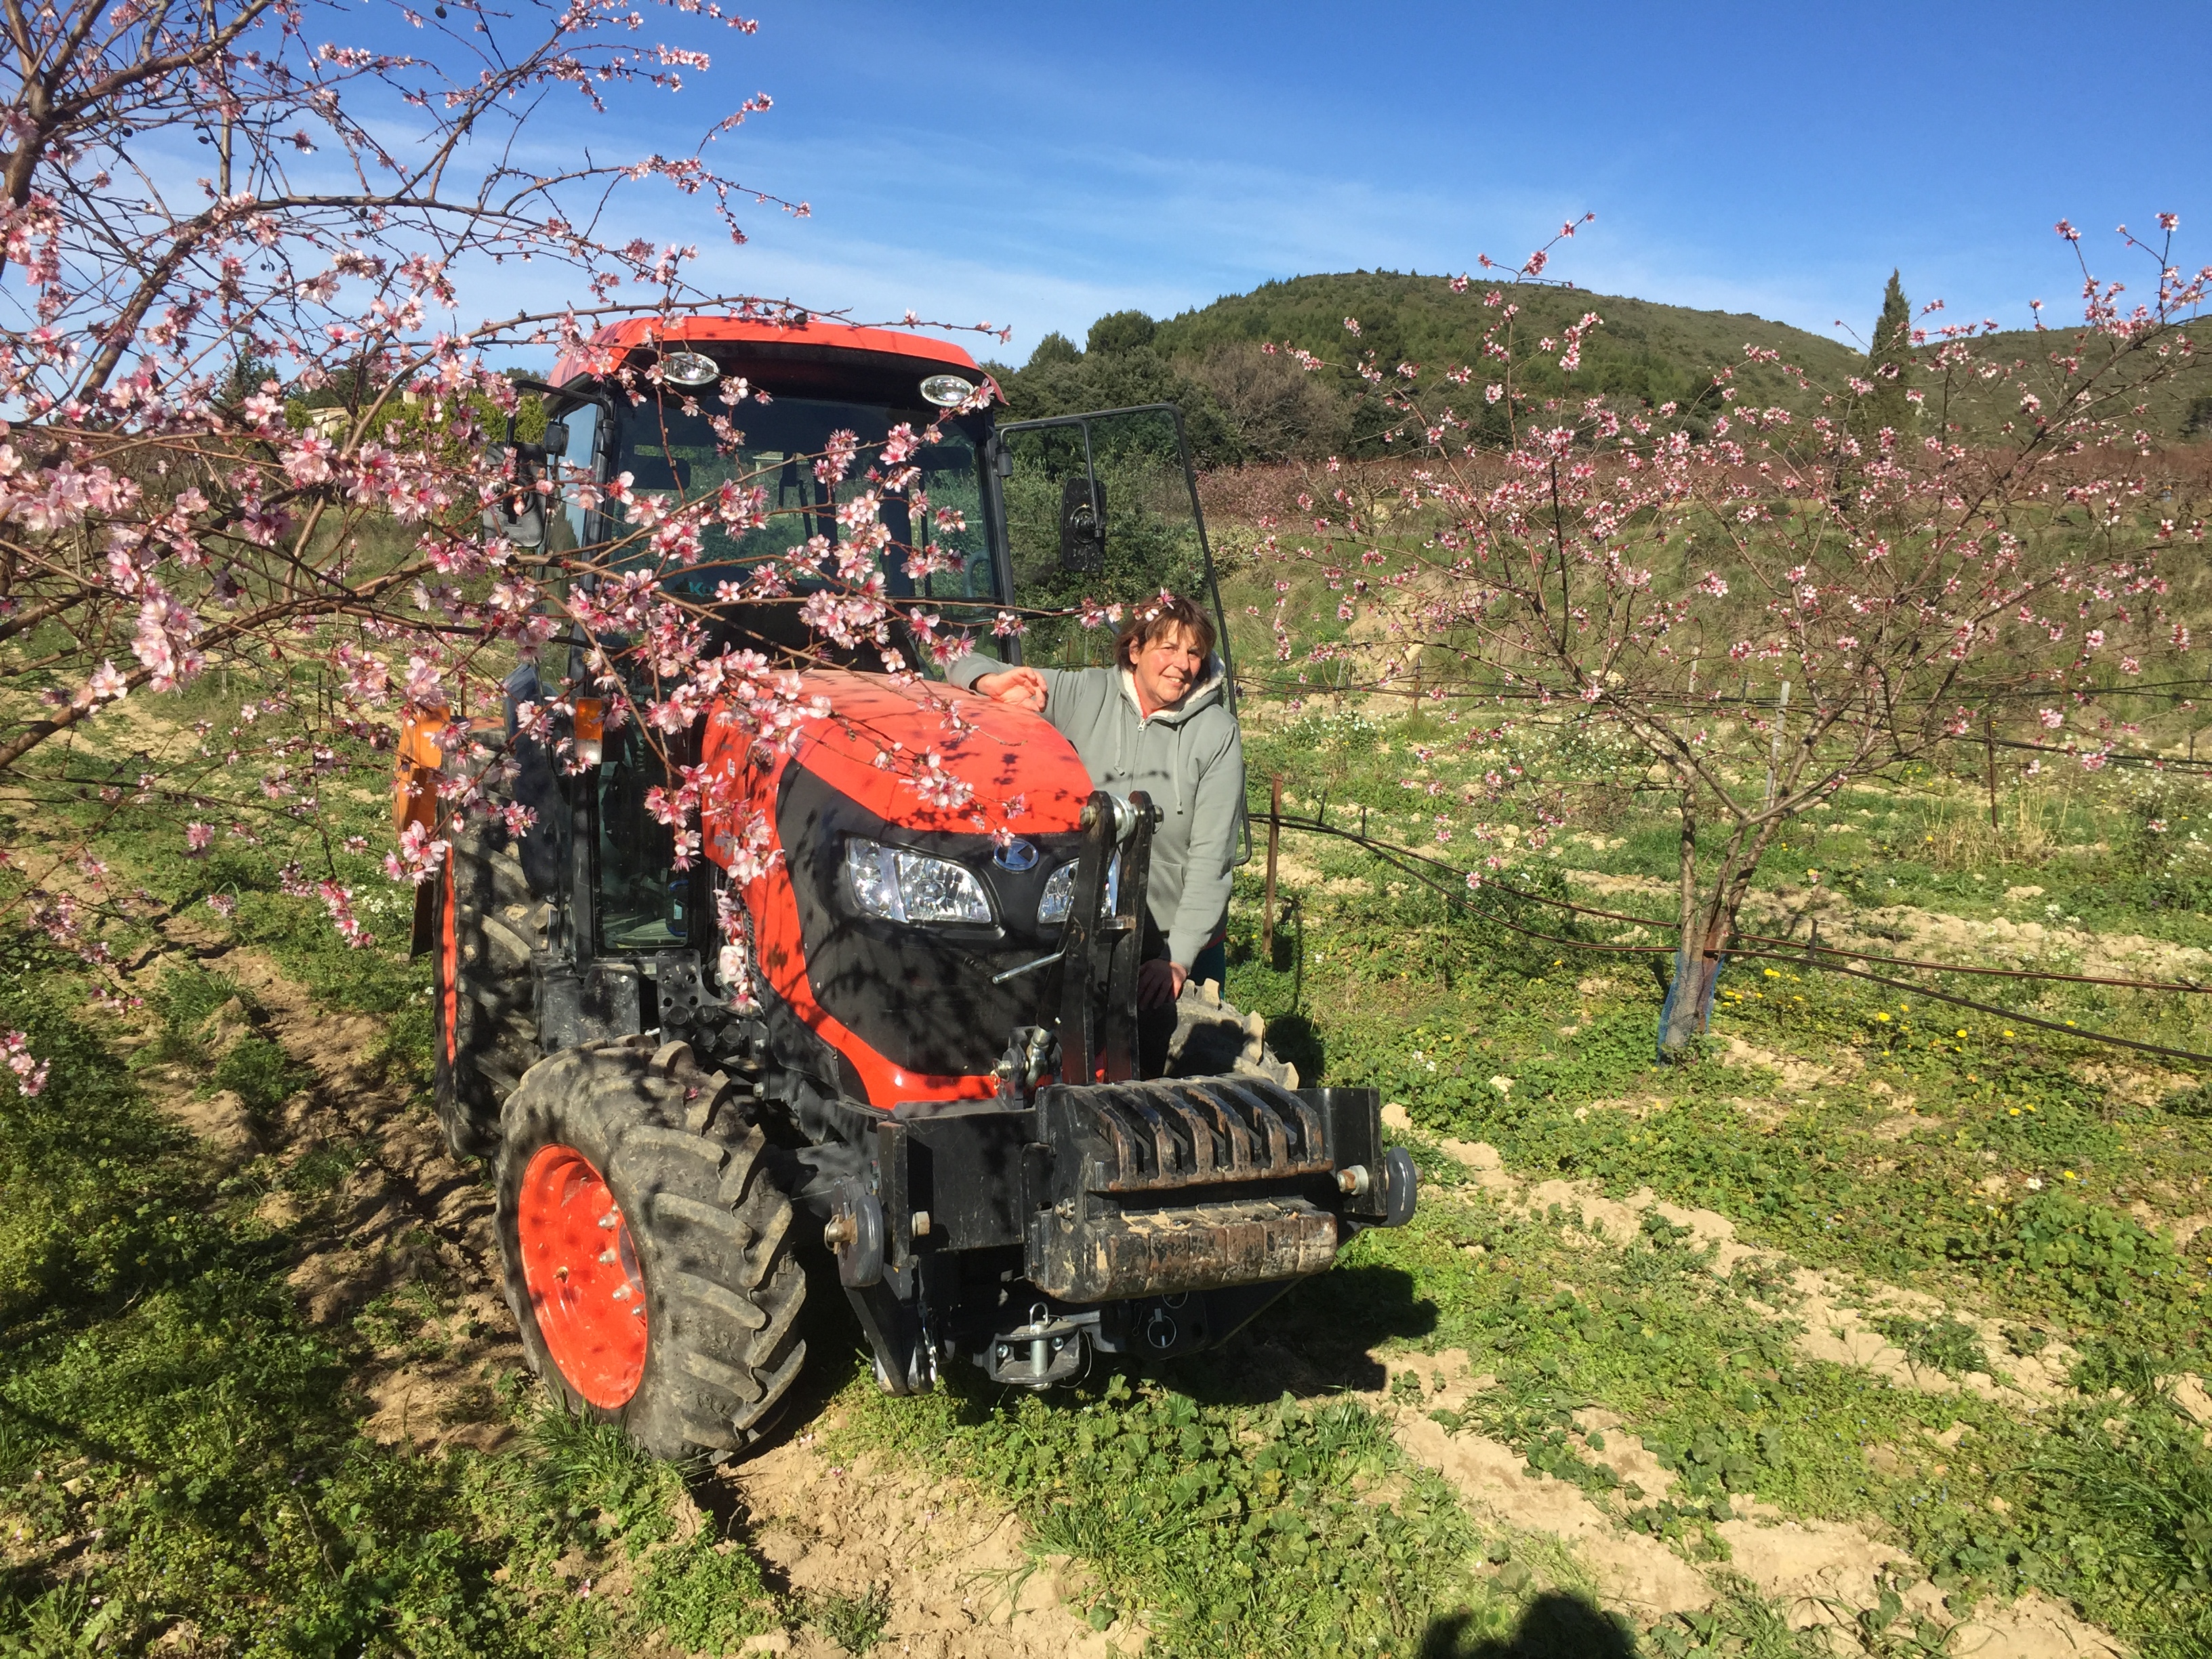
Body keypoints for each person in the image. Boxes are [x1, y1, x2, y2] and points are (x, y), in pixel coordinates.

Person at [950, 594, 1242, 1014]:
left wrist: (1178, 959)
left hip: (1174, 939)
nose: (1183, 664)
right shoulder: (1087, 692)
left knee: (1185, 1061)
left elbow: (1212, 859)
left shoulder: (1217, 733)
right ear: (1135, 650)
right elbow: (959, 661)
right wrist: (987, 683)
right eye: (1169, 648)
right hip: (1086, 926)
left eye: (1195, 653)